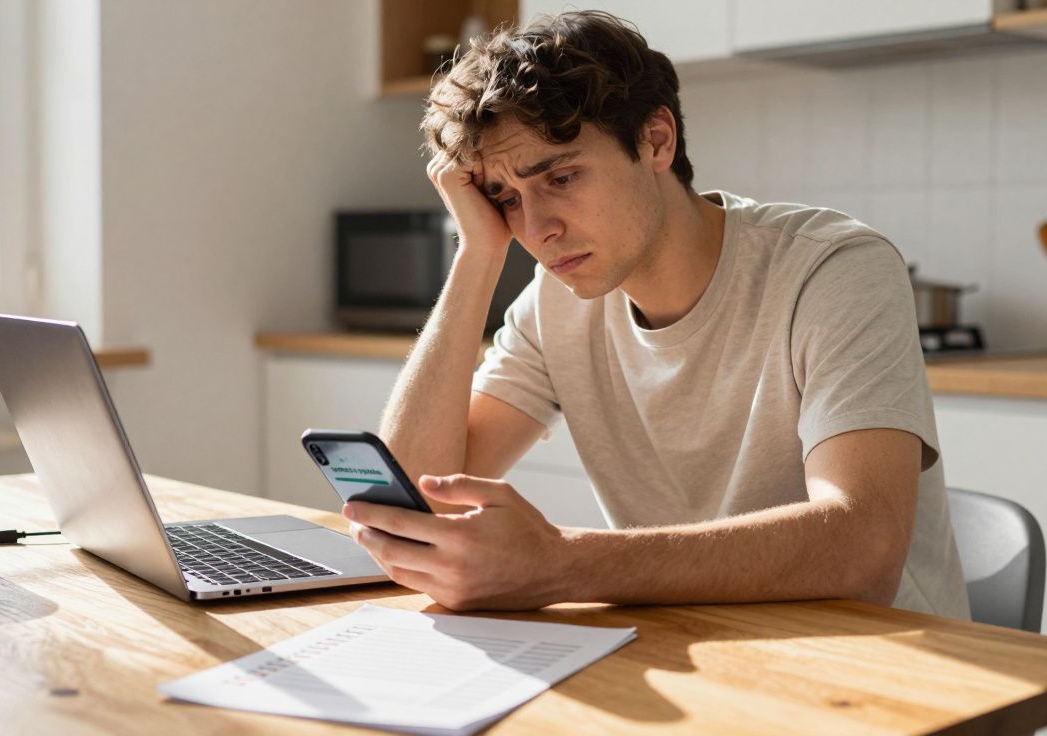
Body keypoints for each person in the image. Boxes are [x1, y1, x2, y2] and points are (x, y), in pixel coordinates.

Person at [341, 10, 970, 618]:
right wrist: (477, 252)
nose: (537, 229)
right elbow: (412, 505)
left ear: (655, 140)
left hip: (887, 673)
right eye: (506, 197)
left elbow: (863, 547)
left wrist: (563, 562)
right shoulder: (555, 301)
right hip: (697, 651)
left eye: (559, 177)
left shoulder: (832, 269)